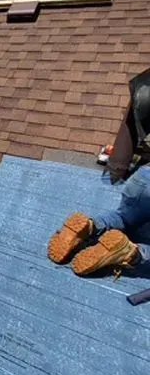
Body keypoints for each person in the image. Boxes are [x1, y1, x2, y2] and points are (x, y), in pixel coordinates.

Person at [48, 68, 150, 277]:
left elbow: (129, 128)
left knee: (125, 217)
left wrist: (116, 169)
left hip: (144, 179)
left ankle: (91, 227)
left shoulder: (146, 82)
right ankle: (131, 252)